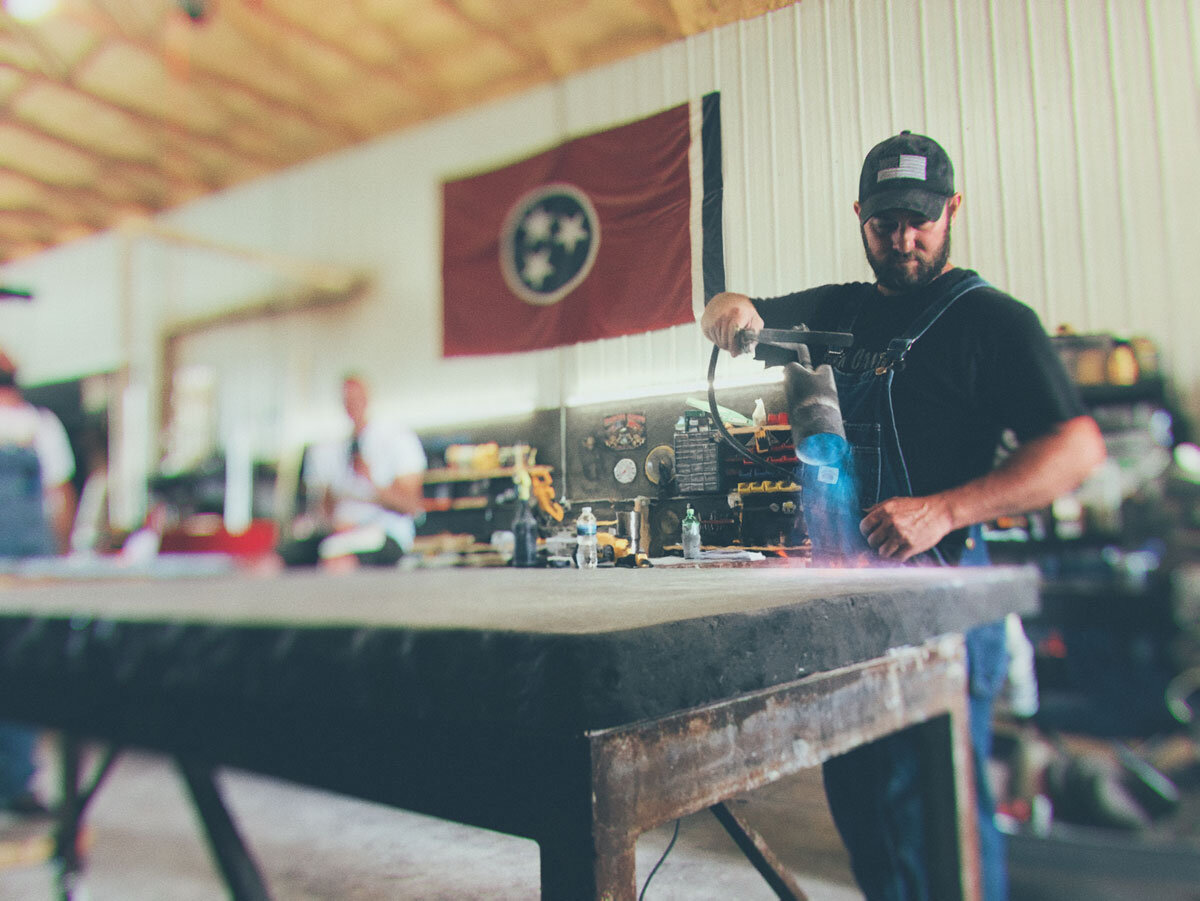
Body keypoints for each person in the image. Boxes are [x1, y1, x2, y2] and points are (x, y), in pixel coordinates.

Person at [701, 131, 1107, 900]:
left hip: (940, 610)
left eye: (920, 220)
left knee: (939, 830)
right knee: (868, 819)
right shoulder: (837, 310)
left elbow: (1078, 447)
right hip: (848, 615)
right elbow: (740, 310)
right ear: (860, 216)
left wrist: (945, 509)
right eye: (885, 222)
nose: (903, 238)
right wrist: (727, 308)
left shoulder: (993, 322)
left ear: (952, 210)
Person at [0, 348, 77, 815]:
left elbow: (59, 493)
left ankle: (16, 779)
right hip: (31, 561)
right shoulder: (41, 426)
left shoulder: (40, 426)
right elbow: (60, 494)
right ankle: (16, 780)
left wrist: (58, 559)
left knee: (20, 668)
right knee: (21, 667)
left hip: (28, 563)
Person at [281, 374, 426, 569]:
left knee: (338, 564)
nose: (352, 405)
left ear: (367, 399)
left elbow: (411, 505)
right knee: (275, 561)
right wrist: (331, 509)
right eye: (347, 401)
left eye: (356, 399)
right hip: (340, 533)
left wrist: (372, 482)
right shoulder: (332, 448)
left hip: (382, 533)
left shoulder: (398, 440)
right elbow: (323, 509)